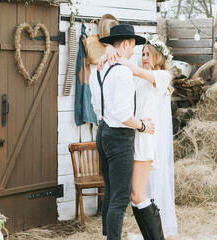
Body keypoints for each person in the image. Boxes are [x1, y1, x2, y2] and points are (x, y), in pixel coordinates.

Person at [99, 37, 177, 239]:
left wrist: (113, 52)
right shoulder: (135, 76)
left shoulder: (161, 76)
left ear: (158, 57)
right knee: (132, 196)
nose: (143, 57)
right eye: (142, 53)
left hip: (144, 139)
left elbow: (137, 71)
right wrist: (109, 50)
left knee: (137, 194)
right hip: (130, 136)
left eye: (147, 54)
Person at [90, 24, 155, 240]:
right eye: (133, 48)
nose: (133, 53)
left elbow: (97, 107)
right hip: (119, 137)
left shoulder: (97, 71)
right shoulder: (123, 73)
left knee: (110, 191)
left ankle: (108, 235)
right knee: (120, 198)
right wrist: (143, 126)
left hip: (102, 133)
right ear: (126, 44)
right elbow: (124, 115)